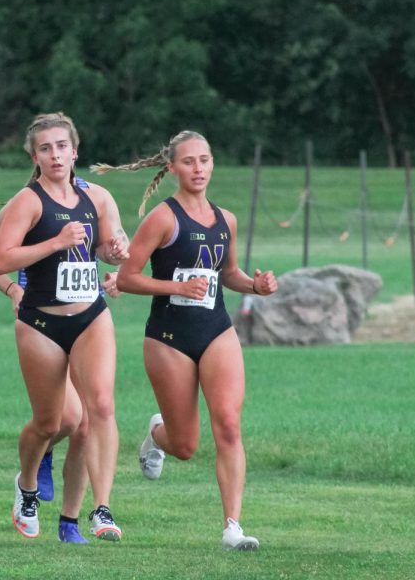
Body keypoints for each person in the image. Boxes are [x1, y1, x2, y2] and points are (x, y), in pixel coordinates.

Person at [96, 130, 278, 551]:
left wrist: (256, 286)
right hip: (169, 338)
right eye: (189, 162)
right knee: (185, 445)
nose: (198, 169)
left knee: (229, 425)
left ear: (213, 164)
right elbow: (127, 278)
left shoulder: (225, 219)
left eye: (205, 160)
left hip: (216, 330)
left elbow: (227, 274)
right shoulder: (163, 218)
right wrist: (175, 288)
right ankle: (157, 434)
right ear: (173, 168)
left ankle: (233, 527)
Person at [0, 112, 130, 542]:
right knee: (50, 424)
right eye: (46, 148)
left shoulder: (99, 198)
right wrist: (54, 242)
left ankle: (100, 510)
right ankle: (27, 484)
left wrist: (116, 254)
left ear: (75, 150)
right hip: (41, 322)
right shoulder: (27, 202)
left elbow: (109, 247)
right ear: (35, 155)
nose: (55, 155)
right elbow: (1, 259)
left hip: (91, 315)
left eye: (61, 146)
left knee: (99, 408)